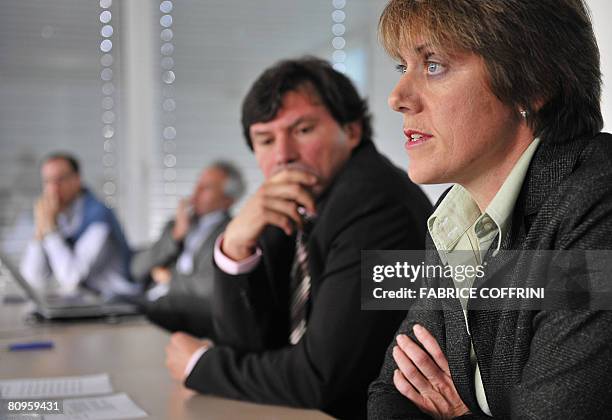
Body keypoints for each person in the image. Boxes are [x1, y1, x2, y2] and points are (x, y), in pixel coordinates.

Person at [368, 0, 612, 418]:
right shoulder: (459, 211)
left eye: (433, 65)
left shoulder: (598, 200)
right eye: (401, 67)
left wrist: (462, 416)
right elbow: (393, 393)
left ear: (532, 85)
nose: (397, 98)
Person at [164, 57, 433, 419]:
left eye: (303, 130)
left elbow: (322, 379)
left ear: (351, 131)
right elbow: (249, 346)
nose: (283, 155)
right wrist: (235, 245)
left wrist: (202, 365)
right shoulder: (294, 199)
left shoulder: (378, 206)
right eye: (265, 139)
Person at [131, 161, 244, 337]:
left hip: (192, 310)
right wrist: (176, 235)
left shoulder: (232, 233)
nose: (196, 192)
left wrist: (170, 279)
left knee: (155, 309)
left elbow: (210, 286)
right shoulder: (177, 226)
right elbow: (137, 269)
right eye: (197, 185)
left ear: (227, 199)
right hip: (152, 301)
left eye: (206, 188)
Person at [20, 153, 136, 297]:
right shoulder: (56, 216)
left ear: (77, 179)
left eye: (60, 180)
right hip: (83, 299)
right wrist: (40, 230)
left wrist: (50, 229)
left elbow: (71, 277)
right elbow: (33, 278)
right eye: (48, 181)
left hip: (115, 299)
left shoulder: (99, 216)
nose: (53, 189)